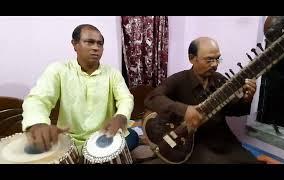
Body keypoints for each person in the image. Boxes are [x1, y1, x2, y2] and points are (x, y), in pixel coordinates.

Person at [22, 24, 139, 154]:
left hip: (103, 135)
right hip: (70, 138)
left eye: (100, 44)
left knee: (133, 137)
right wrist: (38, 123)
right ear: (75, 44)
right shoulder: (59, 70)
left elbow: (125, 98)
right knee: (32, 150)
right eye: (89, 42)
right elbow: (38, 99)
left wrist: (121, 116)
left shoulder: (112, 73)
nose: (96, 48)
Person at [144, 37, 260, 164]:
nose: (215, 64)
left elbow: (232, 110)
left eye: (217, 59)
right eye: (209, 60)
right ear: (192, 58)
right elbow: (152, 98)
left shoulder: (220, 80)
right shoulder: (178, 80)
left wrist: (246, 99)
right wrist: (185, 110)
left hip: (223, 139)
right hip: (194, 143)